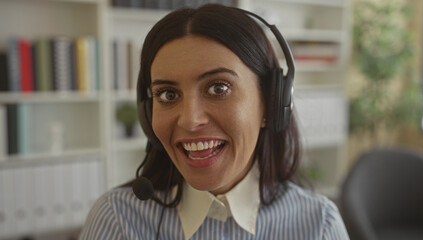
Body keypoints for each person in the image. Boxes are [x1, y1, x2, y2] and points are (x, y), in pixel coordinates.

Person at [79, 4, 349, 240]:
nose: (190, 120)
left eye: (218, 88)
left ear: (270, 103)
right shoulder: (117, 221)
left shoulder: (319, 227)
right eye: (168, 94)